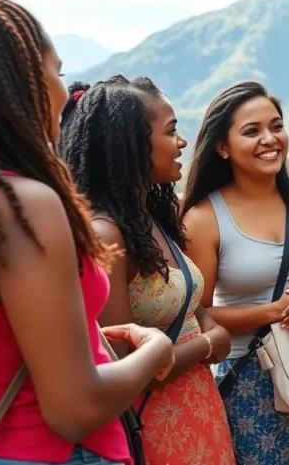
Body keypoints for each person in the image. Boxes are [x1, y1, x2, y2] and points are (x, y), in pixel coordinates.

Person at [0, 0, 175, 465]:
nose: (65, 89)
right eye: (56, 71)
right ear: (17, 83)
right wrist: (156, 350)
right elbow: (74, 408)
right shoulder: (24, 206)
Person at [59, 75, 237, 465]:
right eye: (171, 131)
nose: (182, 142)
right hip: (153, 426)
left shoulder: (153, 218)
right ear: (131, 145)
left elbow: (190, 308)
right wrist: (209, 344)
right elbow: (123, 366)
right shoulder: (107, 234)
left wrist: (206, 335)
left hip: (198, 413)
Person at [181, 81, 289, 465]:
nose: (270, 139)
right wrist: (273, 312)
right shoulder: (204, 218)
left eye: (276, 126)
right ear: (222, 147)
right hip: (247, 380)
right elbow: (196, 314)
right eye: (252, 131)